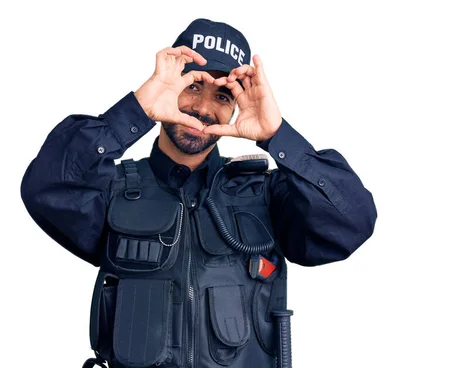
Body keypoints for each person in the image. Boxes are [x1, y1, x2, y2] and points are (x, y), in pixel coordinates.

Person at [20, 18, 377, 368]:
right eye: (192, 86)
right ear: (169, 86)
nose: (204, 109)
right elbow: (45, 186)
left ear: (236, 106)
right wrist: (136, 110)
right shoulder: (111, 190)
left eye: (222, 95)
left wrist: (277, 135)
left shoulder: (270, 195)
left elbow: (352, 221)